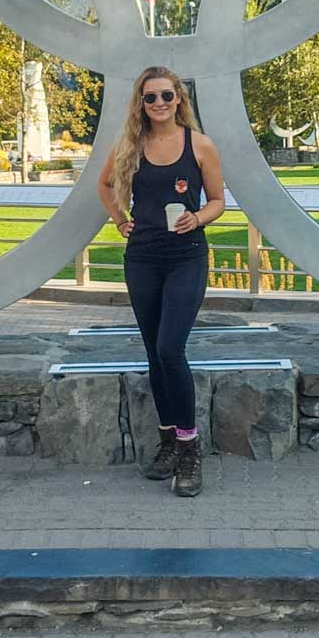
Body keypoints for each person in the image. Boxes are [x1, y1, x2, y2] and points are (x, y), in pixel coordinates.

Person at [97, 66, 224, 497]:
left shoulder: (200, 144)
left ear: (179, 99)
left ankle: (190, 448)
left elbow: (219, 201)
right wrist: (119, 220)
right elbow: (105, 184)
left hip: (186, 257)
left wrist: (198, 216)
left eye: (166, 96)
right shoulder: (130, 144)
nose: (159, 104)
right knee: (155, 353)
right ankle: (169, 440)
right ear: (141, 103)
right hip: (143, 258)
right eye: (150, 98)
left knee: (172, 347)